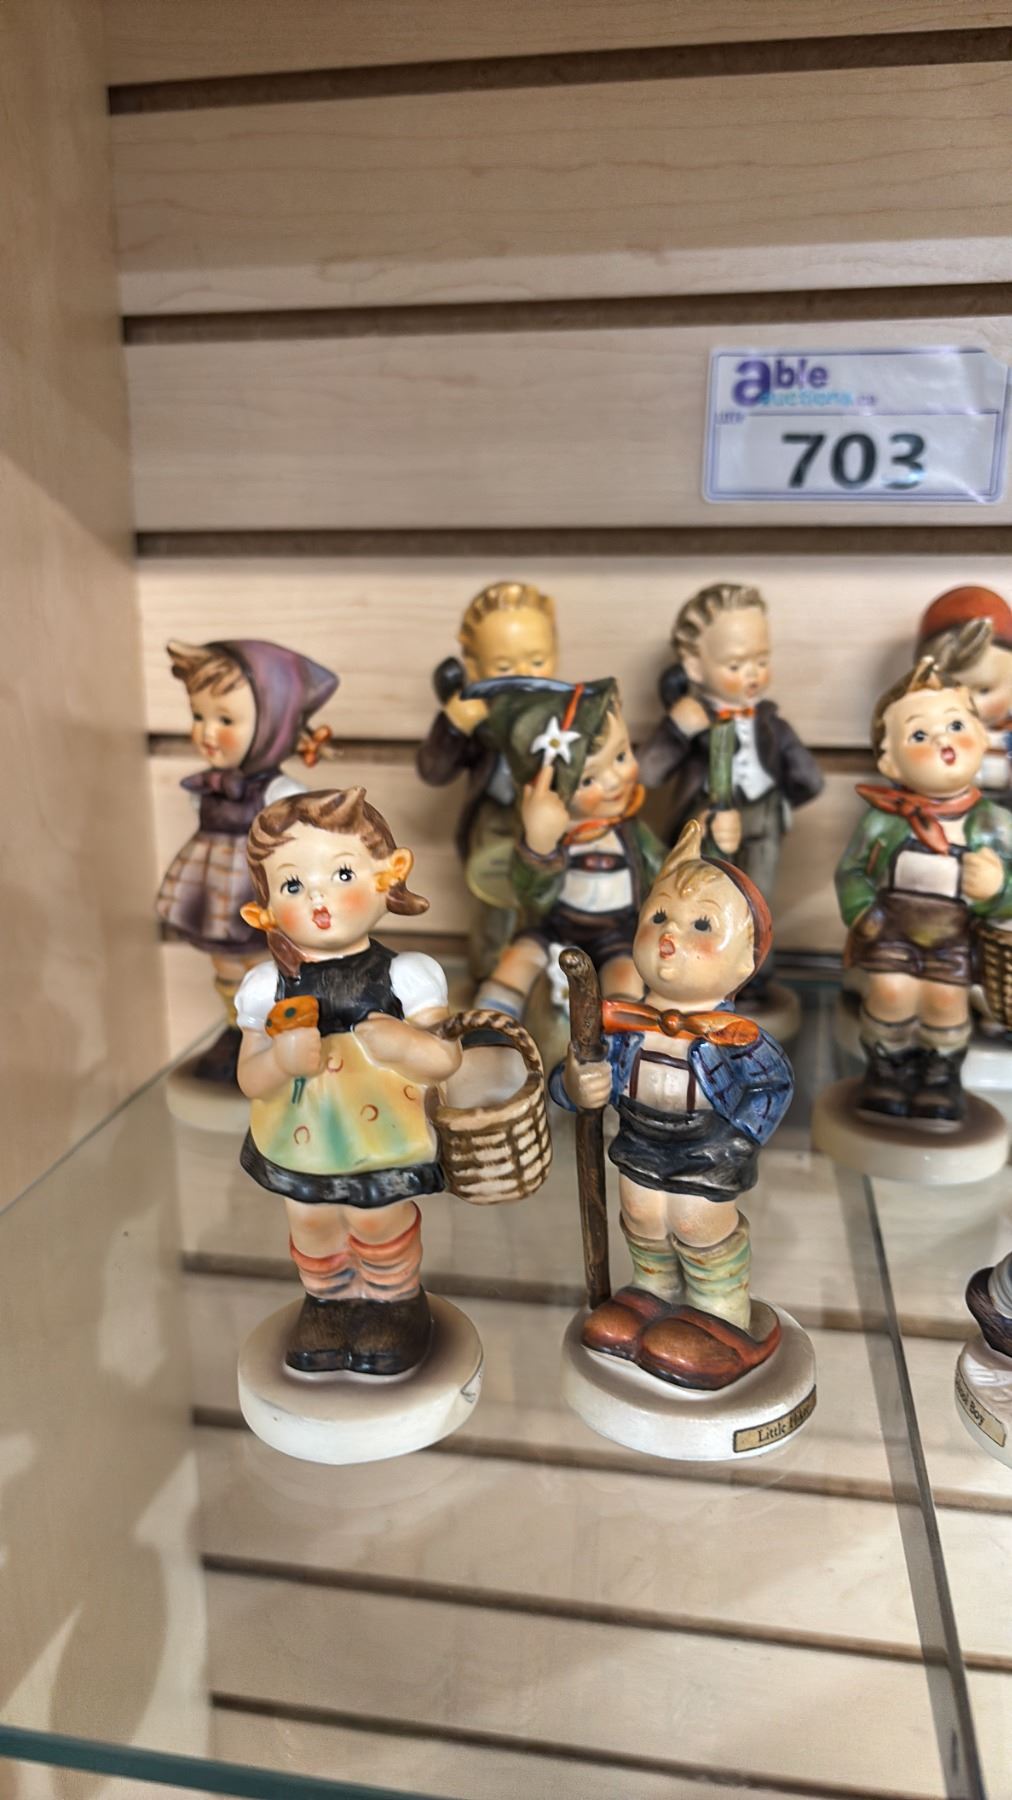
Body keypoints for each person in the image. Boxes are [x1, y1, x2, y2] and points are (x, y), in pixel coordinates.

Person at [554, 820, 793, 1390]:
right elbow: (572, 1081)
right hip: (640, 1133)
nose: (669, 936)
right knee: (641, 1212)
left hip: (708, 1142)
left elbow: (773, 1087)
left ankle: (720, 1313)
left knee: (695, 1221)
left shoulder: (736, 1037)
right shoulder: (623, 1024)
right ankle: (649, 1294)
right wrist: (579, 1083)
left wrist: (742, 1138)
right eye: (659, 916)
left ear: (745, 963)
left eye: (702, 925)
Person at [234, 787, 463, 1376]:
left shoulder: (406, 975)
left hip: (382, 1136)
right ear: (263, 911)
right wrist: (280, 1061)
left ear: (390, 875)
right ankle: (328, 1302)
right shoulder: (265, 987)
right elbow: (250, 1077)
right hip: (299, 1133)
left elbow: (445, 1058)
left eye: (341, 873)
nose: (318, 896)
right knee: (309, 1220)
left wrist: (406, 1045)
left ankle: (393, 1302)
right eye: (292, 884)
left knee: (375, 1218)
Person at [835, 653, 1012, 1123]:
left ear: (982, 735)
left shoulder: (994, 825)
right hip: (890, 929)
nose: (942, 740)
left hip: (955, 935)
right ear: (889, 761)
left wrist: (998, 888)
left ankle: (939, 1076)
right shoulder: (882, 821)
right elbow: (851, 871)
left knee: (946, 1000)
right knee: (890, 992)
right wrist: (861, 911)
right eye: (919, 735)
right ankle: (886, 1069)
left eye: (956, 724)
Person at [156, 638, 338, 1083]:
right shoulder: (206, 788)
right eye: (198, 716)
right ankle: (236, 1026)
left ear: (273, 725)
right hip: (214, 890)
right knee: (224, 963)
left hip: (259, 894)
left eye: (225, 719)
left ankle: (277, 1027)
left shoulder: (281, 793)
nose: (207, 732)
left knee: (266, 962)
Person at [637, 583, 823, 997]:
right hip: (708, 827)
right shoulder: (692, 719)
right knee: (710, 902)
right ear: (694, 666)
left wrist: (778, 803)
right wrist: (676, 728)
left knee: (760, 898)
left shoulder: (770, 723)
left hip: (764, 820)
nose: (752, 674)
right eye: (736, 664)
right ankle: (706, 977)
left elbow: (809, 780)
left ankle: (756, 977)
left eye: (762, 660)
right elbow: (647, 773)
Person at [474, 678, 665, 1019]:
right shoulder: (552, 835)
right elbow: (531, 897)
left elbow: (665, 873)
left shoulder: (632, 834)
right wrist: (540, 844)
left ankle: (626, 1038)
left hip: (618, 933)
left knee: (626, 976)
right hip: (554, 927)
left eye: (621, 756)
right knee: (517, 960)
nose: (614, 781)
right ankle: (491, 1028)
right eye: (588, 780)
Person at [416, 581, 558, 979]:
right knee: (495, 906)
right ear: (474, 668)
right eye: (503, 667)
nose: (524, 676)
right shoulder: (476, 716)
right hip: (494, 821)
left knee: (548, 905)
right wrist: (454, 723)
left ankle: (545, 981)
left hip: (549, 825)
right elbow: (433, 771)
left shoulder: (563, 713)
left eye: (537, 660)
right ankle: (490, 976)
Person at [916, 585, 1012, 802]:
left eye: (985, 690)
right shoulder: (928, 734)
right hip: (950, 809)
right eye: (952, 689)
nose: (970, 704)